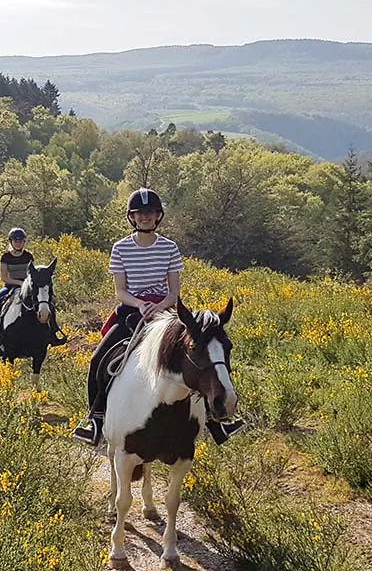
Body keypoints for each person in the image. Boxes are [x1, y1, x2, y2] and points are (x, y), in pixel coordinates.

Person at [71, 188, 245, 446]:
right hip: (132, 311)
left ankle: (214, 420)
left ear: (158, 216)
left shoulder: (169, 248)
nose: (145, 217)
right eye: (139, 213)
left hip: (166, 312)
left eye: (150, 213)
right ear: (132, 217)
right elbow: (120, 291)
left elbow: (174, 291)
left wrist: (161, 305)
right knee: (98, 360)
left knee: (200, 356)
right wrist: (141, 304)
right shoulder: (120, 249)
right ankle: (95, 420)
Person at [0, 228, 67, 354]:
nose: (18, 243)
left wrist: (28, 285)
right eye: (15, 240)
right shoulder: (5, 257)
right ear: (11, 242)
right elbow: (4, 277)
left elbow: (33, 275)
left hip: (29, 288)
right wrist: (20, 283)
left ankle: (53, 334)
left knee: (48, 305)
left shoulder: (29, 256)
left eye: (21, 240)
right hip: (10, 286)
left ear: (24, 242)